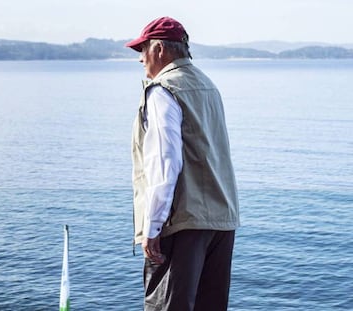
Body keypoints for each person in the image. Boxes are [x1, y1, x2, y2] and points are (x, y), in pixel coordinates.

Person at [126, 17, 240, 311]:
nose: (141, 59)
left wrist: (151, 227)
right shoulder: (208, 85)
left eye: (143, 50)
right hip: (221, 221)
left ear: (160, 49)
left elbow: (165, 164)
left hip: (181, 224)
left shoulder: (163, 91)